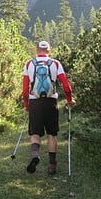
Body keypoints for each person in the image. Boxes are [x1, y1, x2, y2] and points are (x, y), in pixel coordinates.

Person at [22, 40, 74, 175]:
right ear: (49, 50)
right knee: (52, 134)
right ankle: (52, 165)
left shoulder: (29, 64)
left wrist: (27, 105)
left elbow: (25, 89)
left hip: (35, 102)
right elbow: (65, 84)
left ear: (36, 50)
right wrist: (69, 100)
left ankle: (35, 155)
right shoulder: (55, 63)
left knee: (35, 133)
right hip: (51, 102)